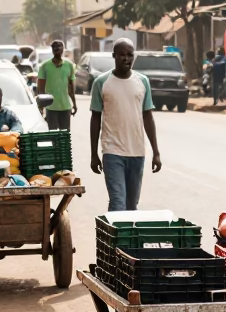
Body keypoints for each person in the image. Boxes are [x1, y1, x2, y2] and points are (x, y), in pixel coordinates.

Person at [89, 38, 162, 211]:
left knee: (131, 205)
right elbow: (95, 119)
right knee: (117, 202)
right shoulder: (101, 83)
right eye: (122, 55)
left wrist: (156, 152)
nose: (126, 59)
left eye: (130, 55)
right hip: (112, 152)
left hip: (137, 152)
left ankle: (118, 237)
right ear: (114, 56)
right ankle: (118, 238)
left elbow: (148, 117)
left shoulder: (142, 82)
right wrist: (93, 154)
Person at [37, 39, 76, 131]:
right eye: (54, 46)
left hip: (65, 107)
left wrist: (74, 103)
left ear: (63, 49)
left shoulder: (69, 65)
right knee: (53, 135)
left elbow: (71, 88)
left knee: (65, 135)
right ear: (52, 50)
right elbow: (41, 89)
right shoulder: (45, 66)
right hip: (51, 108)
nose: (56, 48)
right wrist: (41, 107)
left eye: (59, 46)